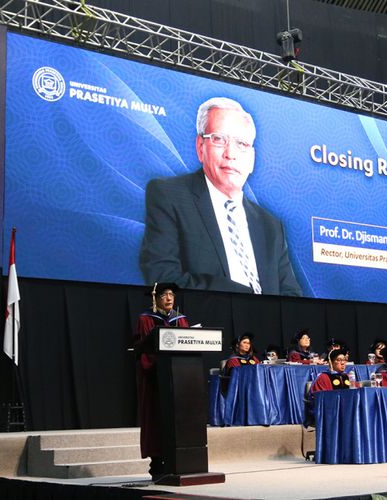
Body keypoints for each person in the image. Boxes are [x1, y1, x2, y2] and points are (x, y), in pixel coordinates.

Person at [139, 97, 302, 296]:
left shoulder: (270, 226)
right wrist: (244, 299)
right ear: (200, 147)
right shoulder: (169, 196)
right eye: (219, 139)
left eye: (241, 143)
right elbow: (163, 278)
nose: (230, 153)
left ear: (251, 159)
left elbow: (291, 295)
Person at [133, 282, 189, 479]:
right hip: (155, 379)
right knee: (155, 417)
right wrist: (159, 365)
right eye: (164, 294)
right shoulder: (146, 319)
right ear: (155, 298)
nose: (169, 298)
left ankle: (179, 460)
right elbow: (145, 349)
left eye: (172, 294)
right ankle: (157, 465)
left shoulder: (180, 320)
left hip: (178, 378)